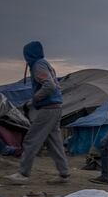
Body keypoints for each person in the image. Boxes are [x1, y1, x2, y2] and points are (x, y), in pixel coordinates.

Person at [6, 41, 70, 185]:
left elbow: (49, 85)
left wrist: (35, 98)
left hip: (48, 108)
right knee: (54, 142)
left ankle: (23, 173)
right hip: (55, 107)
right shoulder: (44, 63)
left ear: (29, 54)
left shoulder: (38, 65)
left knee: (31, 139)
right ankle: (64, 173)